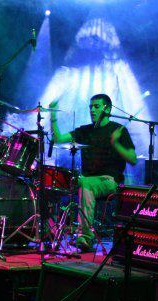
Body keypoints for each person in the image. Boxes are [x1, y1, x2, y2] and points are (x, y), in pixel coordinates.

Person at [51, 94, 137, 251]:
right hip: (87, 179)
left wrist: (115, 143)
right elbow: (58, 139)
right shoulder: (85, 131)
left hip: (110, 181)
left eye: (96, 106)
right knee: (51, 181)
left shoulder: (118, 130)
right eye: (90, 107)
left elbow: (133, 159)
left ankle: (85, 237)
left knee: (86, 183)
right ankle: (48, 230)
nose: (92, 110)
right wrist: (53, 115)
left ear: (107, 109)